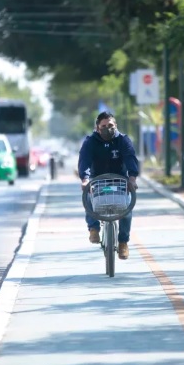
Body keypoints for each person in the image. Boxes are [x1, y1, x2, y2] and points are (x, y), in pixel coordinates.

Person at [78, 111, 139, 260]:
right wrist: (85, 179)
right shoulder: (90, 141)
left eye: (110, 125)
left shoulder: (123, 140)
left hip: (119, 179)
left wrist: (132, 178)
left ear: (115, 125)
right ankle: (93, 228)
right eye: (103, 126)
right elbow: (84, 160)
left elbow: (130, 158)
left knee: (127, 206)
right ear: (97, 128)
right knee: (88, 196)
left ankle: (123, 242)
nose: (107, 128)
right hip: (97, 179)